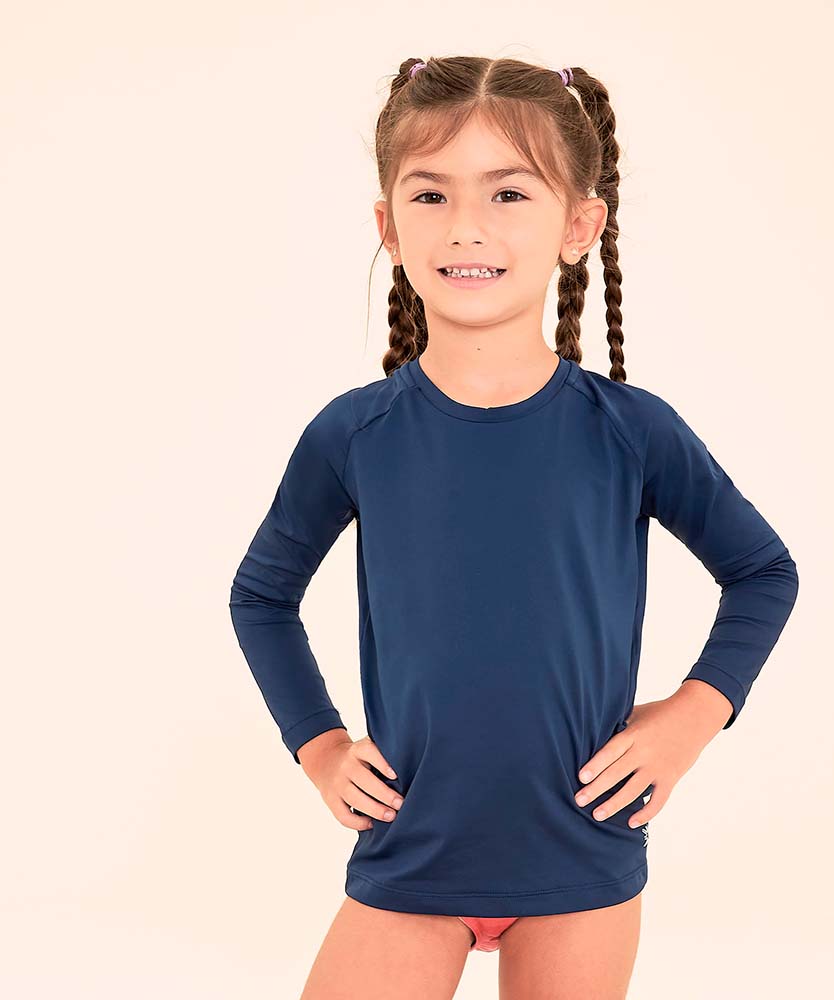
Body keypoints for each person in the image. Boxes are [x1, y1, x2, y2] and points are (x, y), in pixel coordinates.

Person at [229, 55, 799, 1000]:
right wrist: (319, 746)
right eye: (430, 194)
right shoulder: (354, 434)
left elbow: (762, 571)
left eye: (507, 193)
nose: (466, 227)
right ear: (388, 226)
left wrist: (693, 717)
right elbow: (261, 595)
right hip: (412, 853)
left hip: (581, 855)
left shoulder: (631, 431)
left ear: (579, 226)